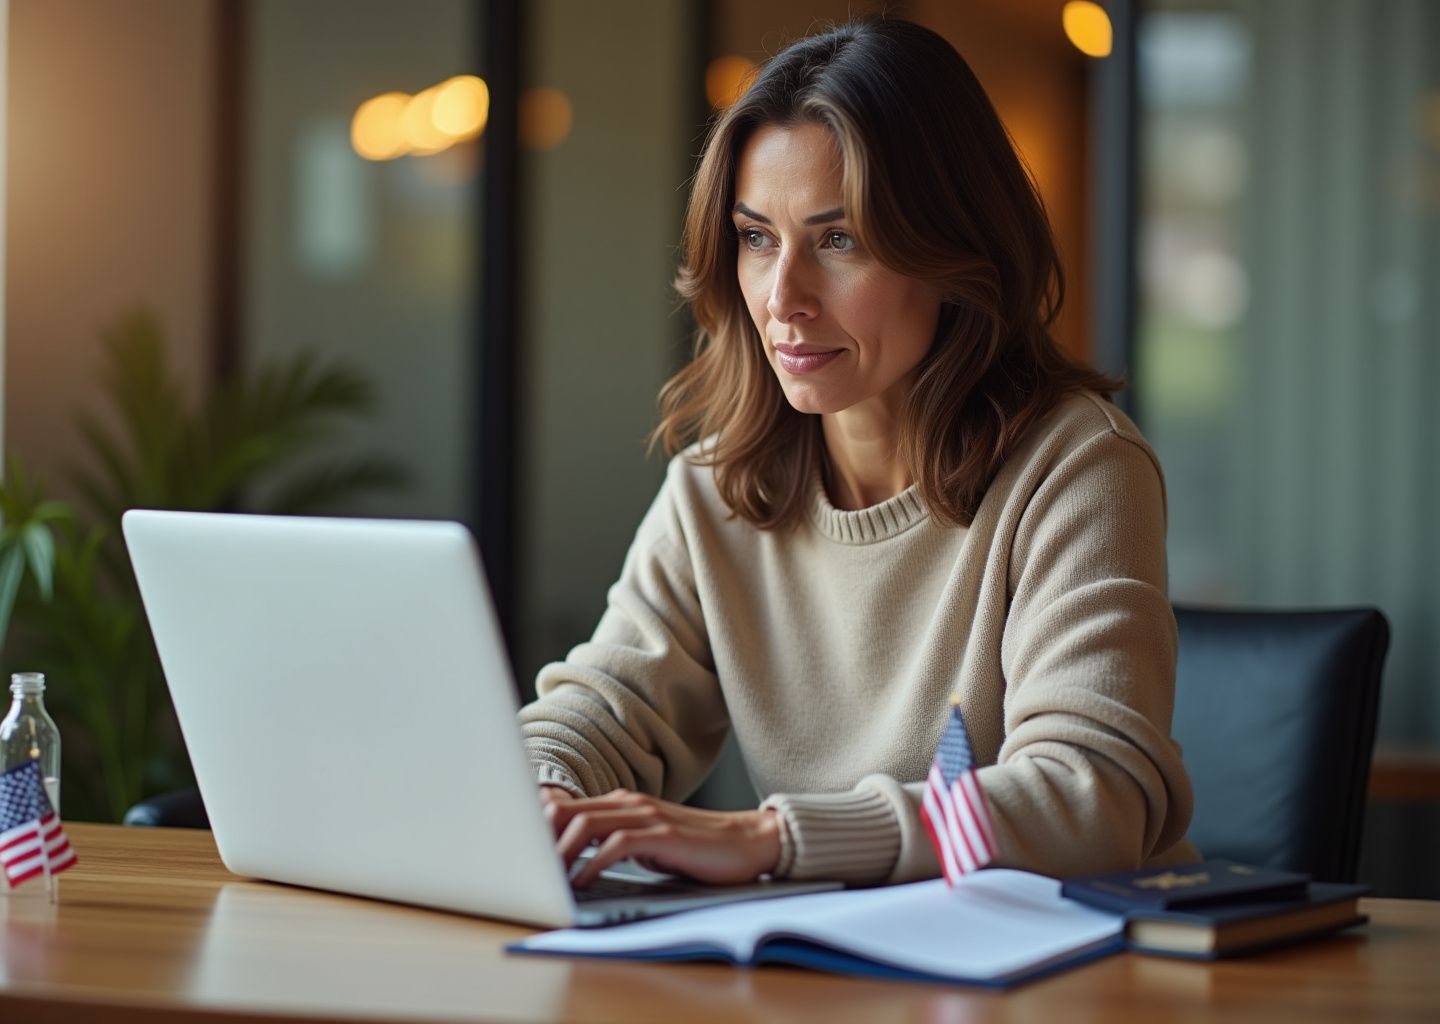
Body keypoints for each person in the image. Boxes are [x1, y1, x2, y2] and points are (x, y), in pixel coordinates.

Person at [520, 18, 1197, 889]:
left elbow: (1092, 800)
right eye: (758, 238)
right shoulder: (719, 484)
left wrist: (776, 839)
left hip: (1061, 978)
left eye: (839, 241)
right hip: (827, 970)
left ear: (953, 254)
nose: (784, 298)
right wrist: (542, 794)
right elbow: (605, 708)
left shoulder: (1077, 468)